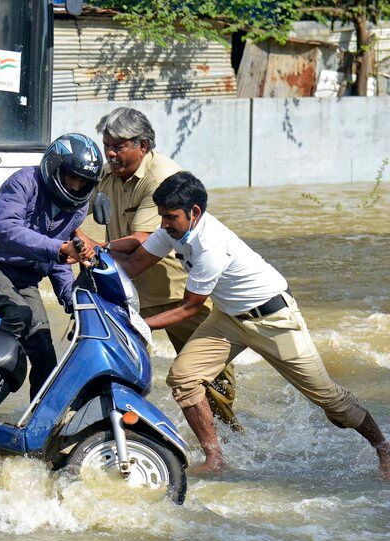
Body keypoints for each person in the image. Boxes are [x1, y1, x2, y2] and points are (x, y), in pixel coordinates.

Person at [115, 171, 390, 479]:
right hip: (229, 318)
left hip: (274, 319)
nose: (164, 223)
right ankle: (215, 458)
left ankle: (383, 447)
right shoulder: (174, 230)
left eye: (171, 217)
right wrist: (91, 253)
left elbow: (189, 308)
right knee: (183, 378)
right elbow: (131, 265)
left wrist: (132, 323)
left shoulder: (210, 245)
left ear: (194, 213)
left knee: (331, 401)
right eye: (162, 216)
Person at [89, 107, 239, 431]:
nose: (111, 154)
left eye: (118, 146)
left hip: (179, 293)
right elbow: (78, 206)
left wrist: (95, 248)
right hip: (128, 288)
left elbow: (145, 240)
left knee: (210, 381)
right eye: (107, 146)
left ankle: (229, 442)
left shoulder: (162, 177)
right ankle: (127, 433)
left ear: (142, 145)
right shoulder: (108, 174)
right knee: (120, 369)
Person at [0, 133, 101, 400]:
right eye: (72, 176)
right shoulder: (23, 182)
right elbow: (8, 230)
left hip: (23, 278)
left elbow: (59, 261)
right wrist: (59, 250)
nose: (76, 185)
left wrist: (73, 300)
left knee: (45, 354)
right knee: (19, 315)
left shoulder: (77, 210)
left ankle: (41, 423)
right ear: (55, 167)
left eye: (83, 182)